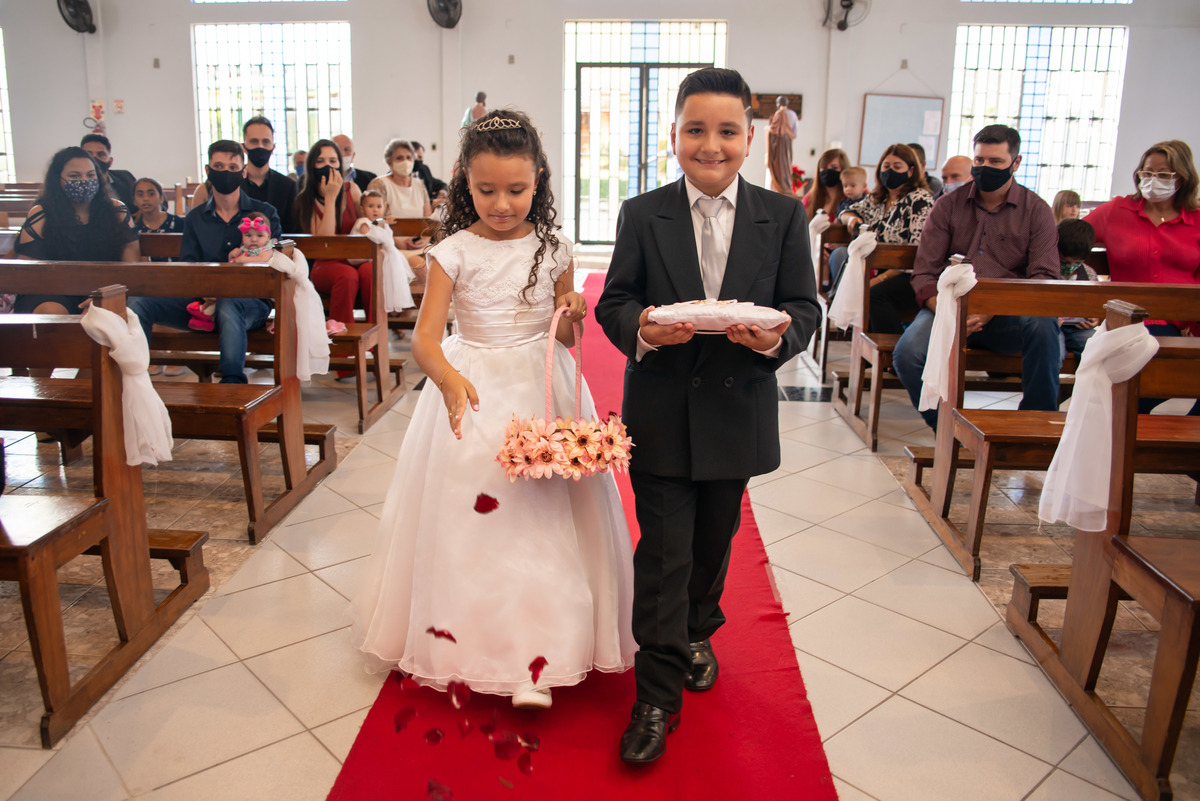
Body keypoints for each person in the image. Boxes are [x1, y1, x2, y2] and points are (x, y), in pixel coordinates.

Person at [350, 109, 636, 711]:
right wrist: (450, 381)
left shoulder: (554, 245)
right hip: (474, 390)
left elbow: (561, 332)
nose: (502, 204)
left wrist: (571, 314)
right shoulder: (453, 251)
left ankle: (543, 651)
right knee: (478, 523)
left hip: (540, 384)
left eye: (517, 190)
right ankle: (475, 647)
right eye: (486, 191)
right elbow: (426, 339)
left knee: (545, 518)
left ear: (539, 181)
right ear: (463, 184)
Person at [596, 68, 821, 764]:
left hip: (737, 408)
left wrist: (777, 338)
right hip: (663, 406)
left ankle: (699, 627)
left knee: (712, 543)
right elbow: (615, 301)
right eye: (696, 130)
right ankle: (656, 698)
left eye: (726, 131)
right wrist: (643, 328)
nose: (711, 145)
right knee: (663, 552)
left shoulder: (783, 218)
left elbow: (805, 309)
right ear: (674, 137)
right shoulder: (643, 212)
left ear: (750, 139)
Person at [892, 124, 1061, 429]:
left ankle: (1034, 426)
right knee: (908, 354)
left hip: (1009, 314)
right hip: (949, 308)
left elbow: (1044, 277)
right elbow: (925, 272)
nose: (985, 168)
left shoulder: (1036, 211)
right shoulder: (947, 206)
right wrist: (948, 308)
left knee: (1042, 323)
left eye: (995, 162)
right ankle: (948, 428)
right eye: (980, 160)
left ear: (1016, 162)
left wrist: (991, 307)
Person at [126, 140, 282, 384]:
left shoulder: (265, 213)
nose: (226, 173)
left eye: (233, 167)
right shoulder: (196, 218)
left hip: (250, 303)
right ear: (208, 172)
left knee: (229, 303)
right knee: (139, 302)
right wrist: (204, 291)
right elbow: (189, 266)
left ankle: (232, 384)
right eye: (219, 166)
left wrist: (225, 291)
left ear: (243, 172)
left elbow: (275, 260)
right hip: (202, 302)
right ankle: (135, 381)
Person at [1085, 139, 1200, 413]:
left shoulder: (1196, 219)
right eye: (1147, 173)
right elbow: (1067, 240)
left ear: (1182, 178)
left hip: (1187, 323)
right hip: (1132, 320)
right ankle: (1130, 433)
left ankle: (1184, 445)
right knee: (1147, 363)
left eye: (1163, 175)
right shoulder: (1117, 211)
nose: (1152, 180)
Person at [13, 146, 139, 315]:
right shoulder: (41, 214)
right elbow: (28, 272)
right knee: (51, 312)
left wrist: (105, 295)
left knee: (99, 313)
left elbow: (131, 268)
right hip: (51, 291)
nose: (84, 181)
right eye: (74, 176)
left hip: (107, 288)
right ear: (58, 179)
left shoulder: (117, 211)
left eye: (90, 175)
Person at [832, 144, 935, 330]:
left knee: (872, 293)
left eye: (897, 167)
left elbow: (916, 250)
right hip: (879, 269)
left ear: (911, 170)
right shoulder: (879, 197)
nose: (890, 171)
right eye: (886, 166)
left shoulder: (919, 199)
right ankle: (868, 354)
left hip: (909, 275)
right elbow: (847, 211)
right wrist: (851, 219)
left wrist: (878, 279)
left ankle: (888, 353)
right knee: (858, 289)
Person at [297, 139, 367, 329]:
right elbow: (324, 244)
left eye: (333, 161)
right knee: (346, 275)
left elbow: (367, 223)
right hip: (325, 265)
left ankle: (372, 336)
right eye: (321, 161)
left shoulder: (351, 190)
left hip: (355, 258)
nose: (328, 166)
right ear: (312, 165)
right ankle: (340, 336)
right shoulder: (306, 198)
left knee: (370, 272)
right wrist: (330, 197)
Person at [191, 116, 300, 233]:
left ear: (273, 147)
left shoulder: (287, 186)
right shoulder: (222, 183)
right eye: (254, 141)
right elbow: (197, 226)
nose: (260, 146)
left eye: (265, 142)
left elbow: (292, 231)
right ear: (244, 146)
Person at [187, 212, 278, 332]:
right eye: (248, 235)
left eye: (259, 235)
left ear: (268, 237)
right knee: (221, 285)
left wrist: (242, 259)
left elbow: (263, 259)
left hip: (257, 294)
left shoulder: (268, 250)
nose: (254, 239)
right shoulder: (243, 250)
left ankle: (207, 309)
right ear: (242, 237)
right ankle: (207, 314)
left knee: (226, 296)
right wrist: (232, 257)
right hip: (238, 289)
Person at [1055, 218, 1100, 359]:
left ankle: (1092, 381)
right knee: (1053, 350)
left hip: (1078, 328)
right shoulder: (1044, 271)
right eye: (1064, 262)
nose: (1070, 266)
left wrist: (1094, 319)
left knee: (1096, 349)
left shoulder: (1089, 274)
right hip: (1052, 327)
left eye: (1077, 262)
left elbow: (1095, 305)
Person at [367, 139, 432, 219]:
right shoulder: (379, 184)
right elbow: (374, 218)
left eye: (409, 157)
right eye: (399, 158)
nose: (405, 161)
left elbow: (428, 217)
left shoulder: (419, 184)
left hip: (418, 230)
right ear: (389, 162)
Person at [80, 133, 137, 211]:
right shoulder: (74, 185)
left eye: (100, 154)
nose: (94, 159)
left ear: (110, 161)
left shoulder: (126, 178)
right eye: (88, 154)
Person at [801, 147, 849, 221]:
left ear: (844, 170)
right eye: (824, 167)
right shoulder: (810, 198)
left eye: (834, 168)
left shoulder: (851, 198)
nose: (828, 171)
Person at [766, 96, 798, 195]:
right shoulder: (792, 114)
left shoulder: (778, 114)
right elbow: (795, 132)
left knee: (779, 164)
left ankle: (780, 185)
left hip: (778, 144)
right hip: (788, 142)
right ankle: (786, 185)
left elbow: (772, 130)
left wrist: (768, 128)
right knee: (787, 164)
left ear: (778, 104)